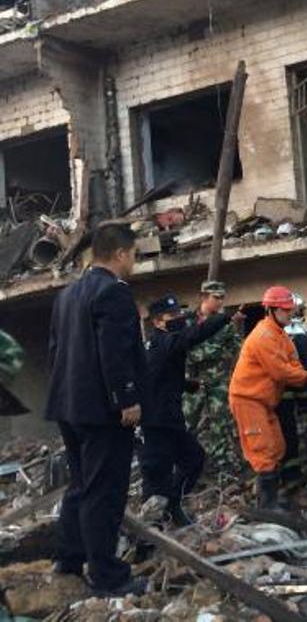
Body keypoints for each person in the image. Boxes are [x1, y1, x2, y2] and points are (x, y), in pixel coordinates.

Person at [44, 223, 147, 596]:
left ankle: (68, 559)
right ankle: (107, 575)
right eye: (134, 255)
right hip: (104, 411)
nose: (134, 262)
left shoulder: (68, 295)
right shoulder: (114, 293)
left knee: (80, 485)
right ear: (120, 254)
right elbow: (114, 353)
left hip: (68, 406)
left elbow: (55, 352)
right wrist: (128, 399)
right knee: (104, 492)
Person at [139, 293, 242, 525]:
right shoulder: (163, 341)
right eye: (171, 315)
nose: (178, 318)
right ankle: (150, 534)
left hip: (169, 418)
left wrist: (189, 384)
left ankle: (173, 505)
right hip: (156, 422)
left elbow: (159, 376)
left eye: (178, 313)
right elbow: (193, 335)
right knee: (157, 477)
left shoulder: (162, 343)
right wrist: (222, 317)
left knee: (193, 458)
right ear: (157, 322)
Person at [228, 286, 307, 510]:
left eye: (290, 310)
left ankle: (273, 497)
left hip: (263, 401)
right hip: (248, 400)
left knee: (276, 447)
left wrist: (304, 375)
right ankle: (267, 505)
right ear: (271, 310)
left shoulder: (280, 335)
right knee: (263, 450)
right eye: (285, 310)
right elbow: (281, 372)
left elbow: (293, 364)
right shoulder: (264, 336)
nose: (290, 314)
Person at [184, 281, 244, 476]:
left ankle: (224, 467)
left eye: (222, 298)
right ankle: (183, 465)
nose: (219, 302)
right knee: (186, 422)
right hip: (192, 380)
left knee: (222, 424)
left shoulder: (224, 324)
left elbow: (238, 349)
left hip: (218, 380)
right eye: (215, 297)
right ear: (203, 297)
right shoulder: (187, 321)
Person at [280, 293, 307, 491]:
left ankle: (288, 475)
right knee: (295, 436)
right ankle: (294, 477)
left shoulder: (279, 333)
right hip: (295, 395)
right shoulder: (298, 334)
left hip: (280, 395)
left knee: (285, 435)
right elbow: (304, 367)